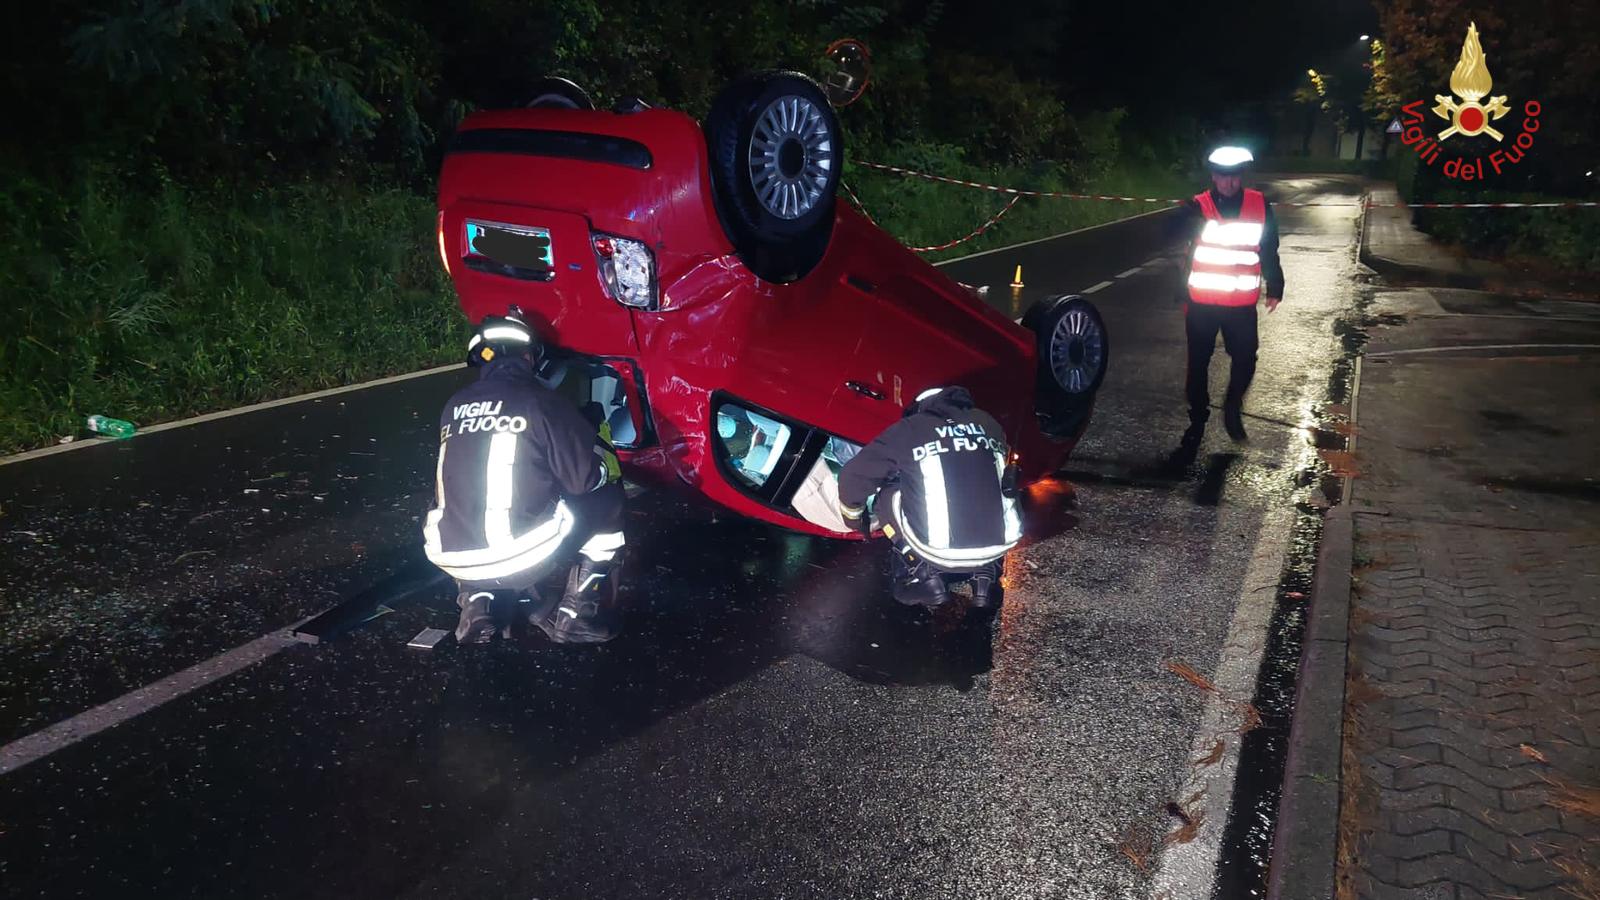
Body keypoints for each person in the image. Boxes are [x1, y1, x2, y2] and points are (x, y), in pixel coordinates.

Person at [422, 306, 627, 644]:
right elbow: (584, 480)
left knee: (454, 497)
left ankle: (475, 607)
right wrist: (599, 449)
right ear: (531, 357)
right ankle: (577, 616)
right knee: (607, 500)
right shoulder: (541, 401)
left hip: (451, 559)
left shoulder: (453, 406)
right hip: (523, 559)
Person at [837, 386, 1022, 610]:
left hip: (937, 550)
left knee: (888, 493)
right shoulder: (989, 423)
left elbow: (853, 476)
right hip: (1003, 543)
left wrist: (854, 520)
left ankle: (921, 574)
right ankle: (985, 576)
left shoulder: (910, 428)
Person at [1173, 145, 1285, 451]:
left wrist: (1275, 286)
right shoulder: (1197, 206)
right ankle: (1198, 417)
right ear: (1213, 176)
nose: (1229, 182)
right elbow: (1176, 242)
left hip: (1241, 305)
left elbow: (1269, 248)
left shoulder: (1259, 204)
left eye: (1234, 176)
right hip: (1202, 303)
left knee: (1247, 358)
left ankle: (1233, 409)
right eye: (1223, 176)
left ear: (1241, 176)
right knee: (1198, 364)